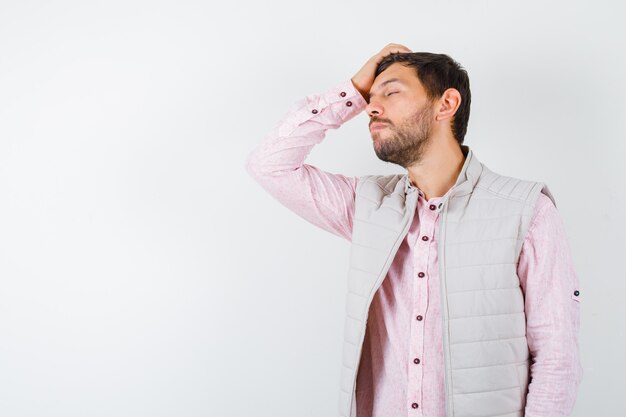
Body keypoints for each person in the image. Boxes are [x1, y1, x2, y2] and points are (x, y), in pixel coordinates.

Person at [245, 43, 582, 417]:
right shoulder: (367, 205)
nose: (372, 108)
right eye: (369, 99)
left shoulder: (527, 210)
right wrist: (351, 92)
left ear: (446, 104)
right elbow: (269, 165)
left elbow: (557, 356)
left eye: (391, 92)